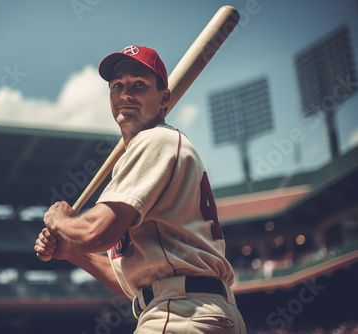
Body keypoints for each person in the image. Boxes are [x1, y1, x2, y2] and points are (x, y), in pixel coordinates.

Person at [35, 45, 246, 333]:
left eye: (139, 85)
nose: (125, 95)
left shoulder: (155, 140)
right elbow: (135, 282)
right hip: (194, 310)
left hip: (181, 313)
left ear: (164, 97)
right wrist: (72, 251)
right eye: (117, 86)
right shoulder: (150, 150)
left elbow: (97, 233)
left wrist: (60, 220)